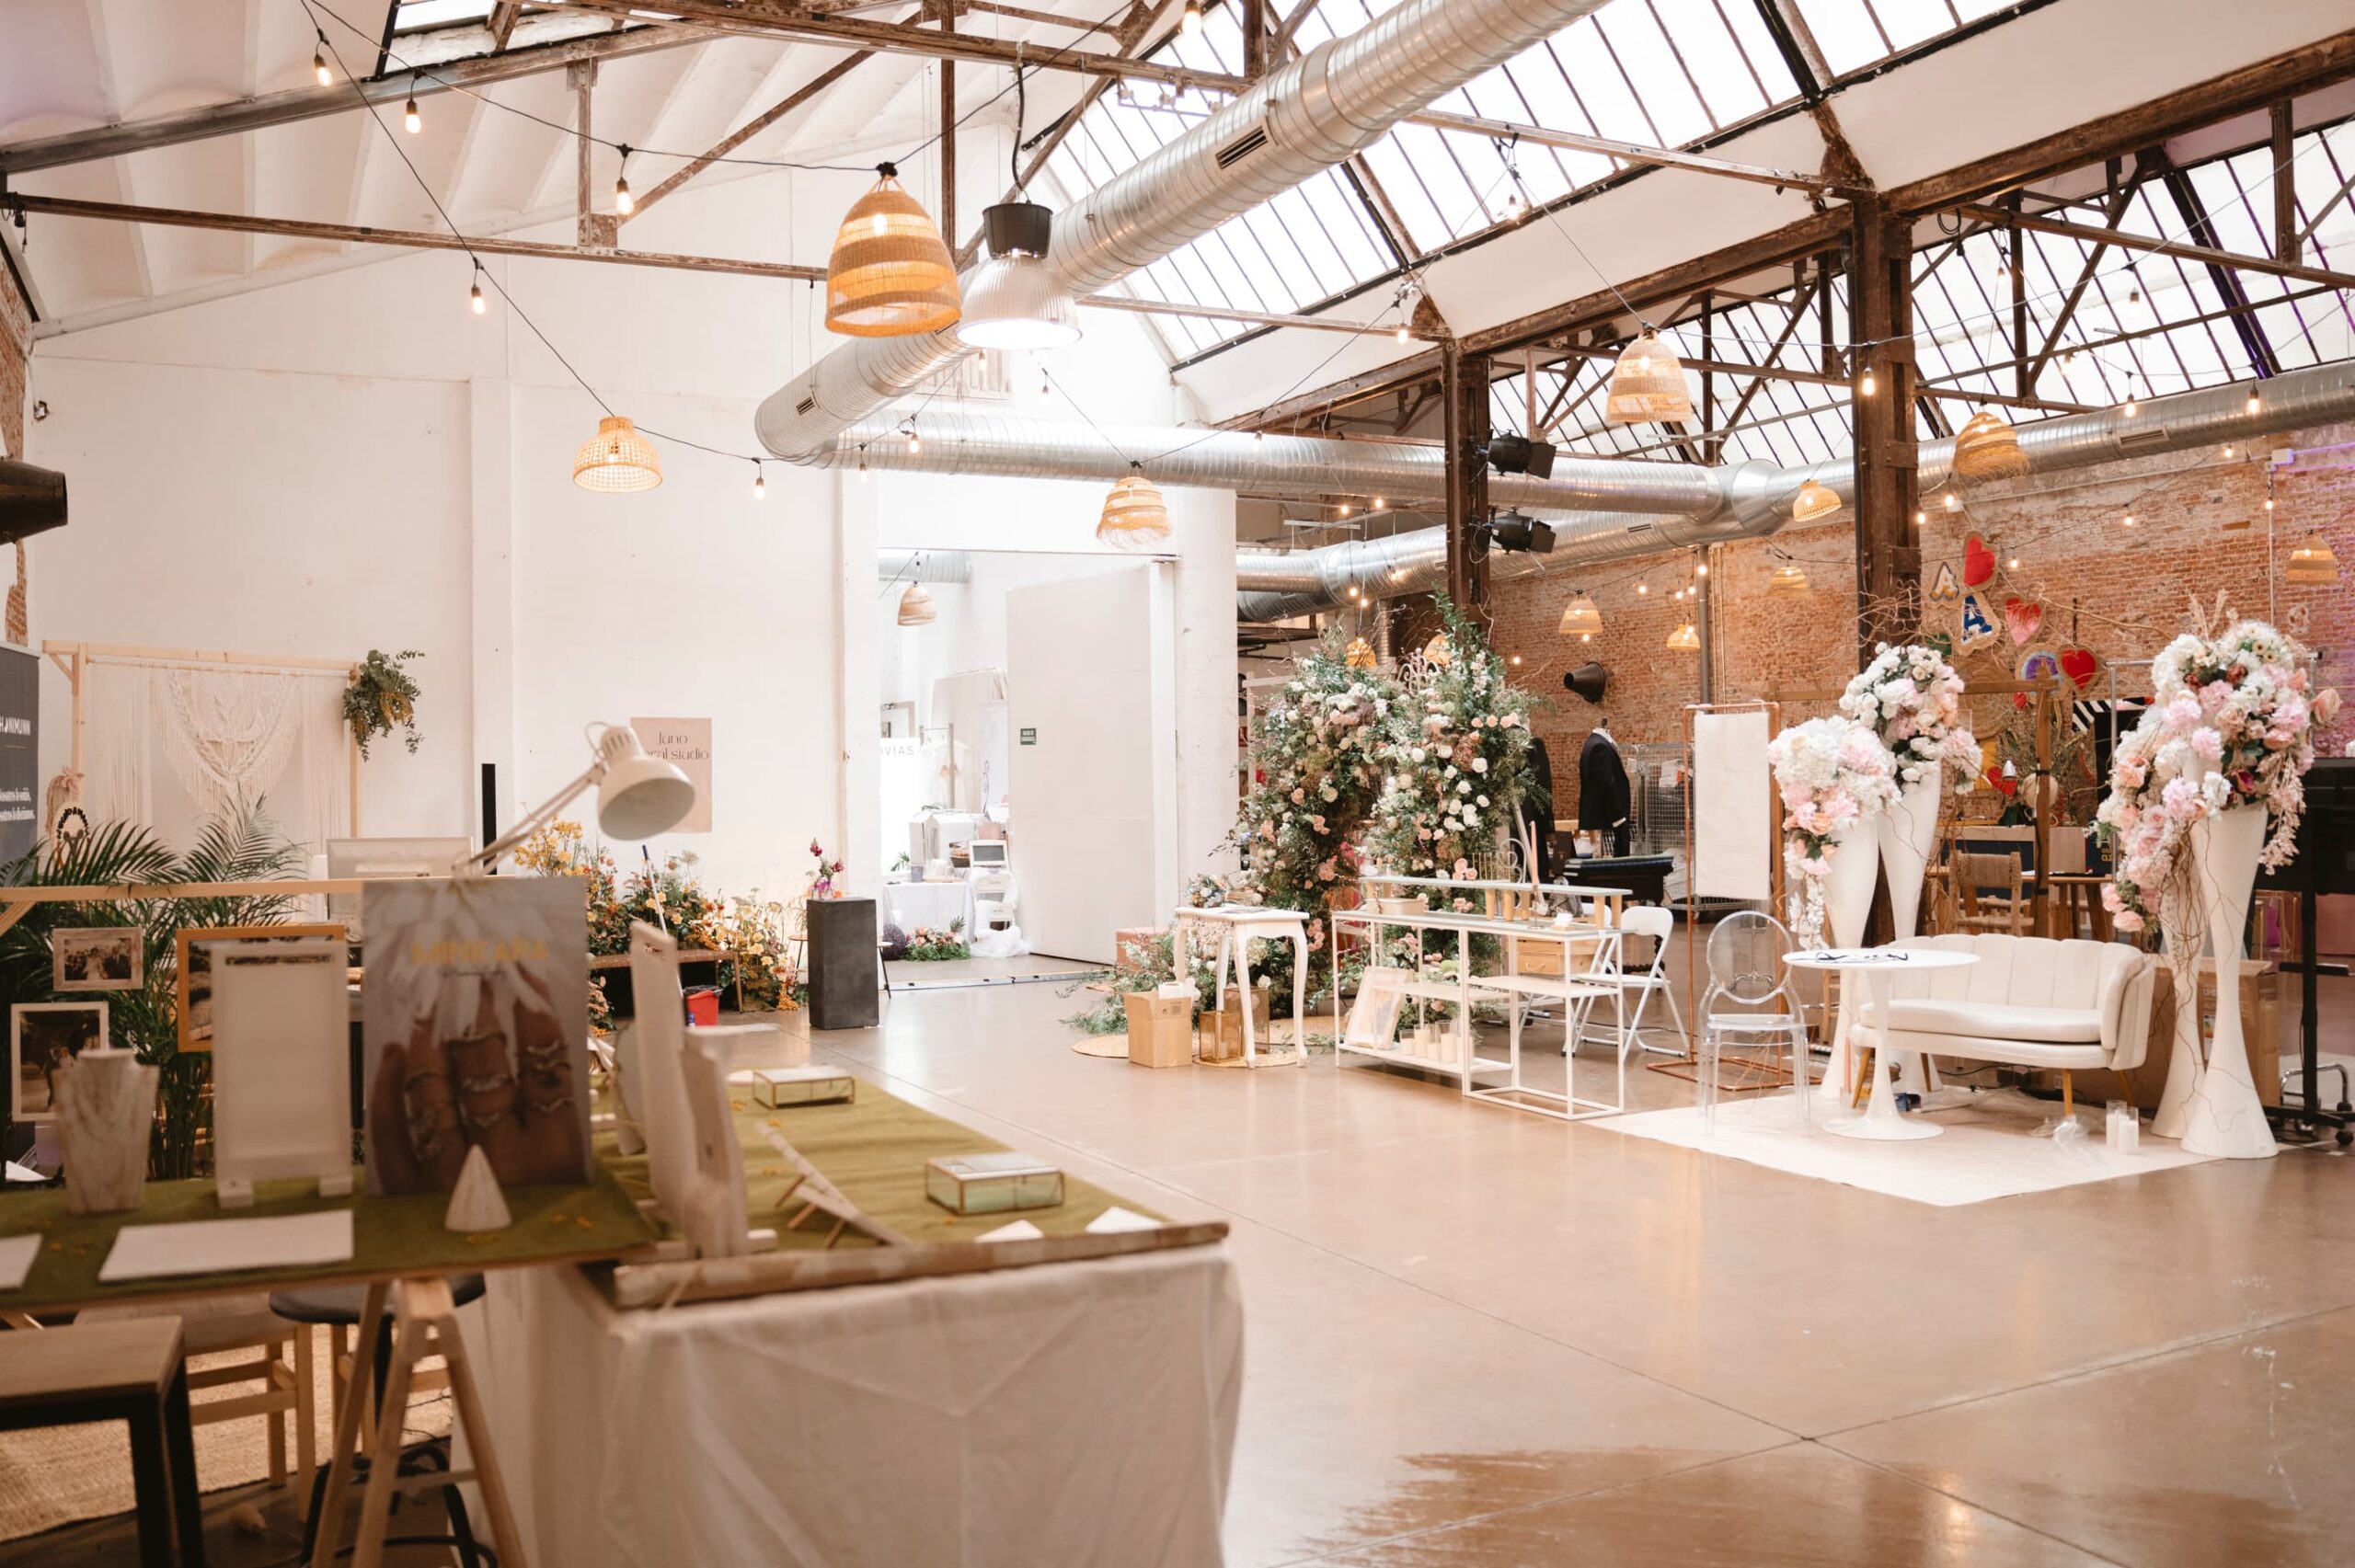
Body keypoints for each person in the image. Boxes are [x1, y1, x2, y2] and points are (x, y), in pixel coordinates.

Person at [1578, 720, 1631, 858]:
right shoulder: (1599, 746)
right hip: (1609, 813)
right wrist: (1618, 815)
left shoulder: (1591, 743)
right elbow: (1607, 782)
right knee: (1620, 858)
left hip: (1604, 812)